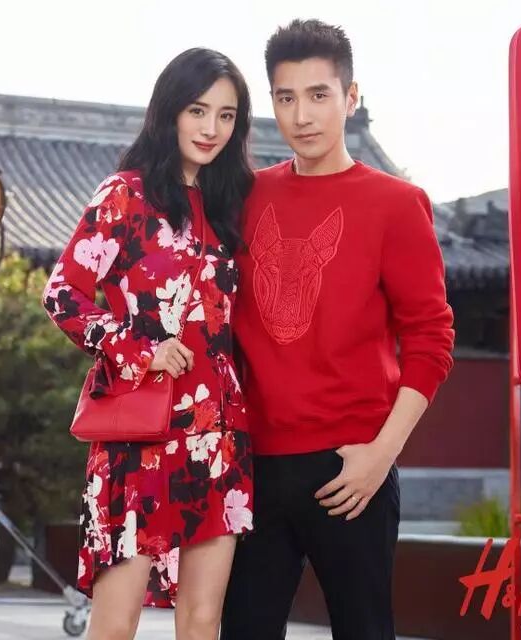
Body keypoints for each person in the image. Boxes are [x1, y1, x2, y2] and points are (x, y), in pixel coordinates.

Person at [221, 19, 455, 640]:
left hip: (351, 468)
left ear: (350, 98)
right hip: (253, 465)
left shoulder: (397, 204)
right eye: (286, 97)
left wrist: (381, 455)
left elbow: (431, 338)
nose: (301, 116)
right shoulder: (245, 196)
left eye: (319, 95)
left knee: (365, 629)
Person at [42, 48, 254, 640]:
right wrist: (139, 348)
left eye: (227, 115)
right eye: (198, 110)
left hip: (217, 438)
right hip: (138, 439)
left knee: (204, 620)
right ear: (169, 111)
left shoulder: (229, 203)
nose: (211, 128)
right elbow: (62, 294)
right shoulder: (125, 196)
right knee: (116, 625)